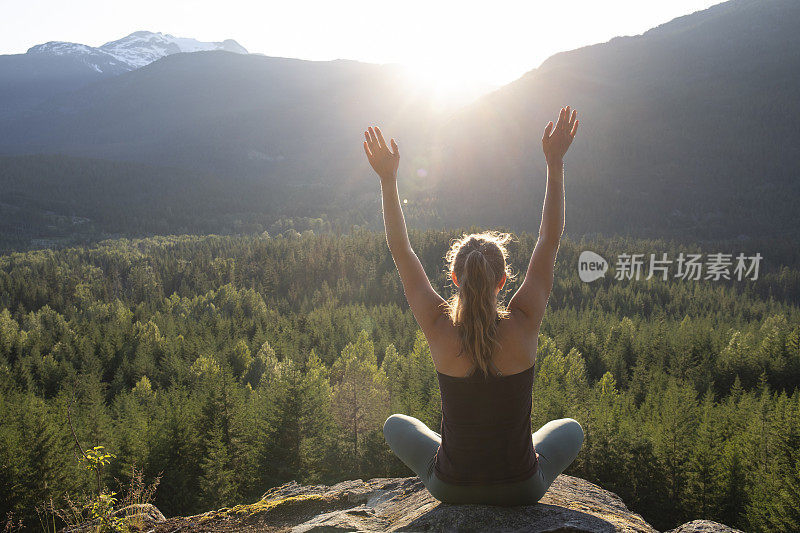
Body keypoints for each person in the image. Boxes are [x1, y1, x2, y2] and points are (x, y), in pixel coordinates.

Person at [362, 106, 583, 506]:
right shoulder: (524, 321)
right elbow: (549, 240)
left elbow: (401, 250)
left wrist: (388, 180)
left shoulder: (438, 325)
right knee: (570, 429)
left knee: (397, 424)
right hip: (522, 488)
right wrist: (555, 164)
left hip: (452, 488)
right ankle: (523, 451)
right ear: (503, 281)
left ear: (454, 281)